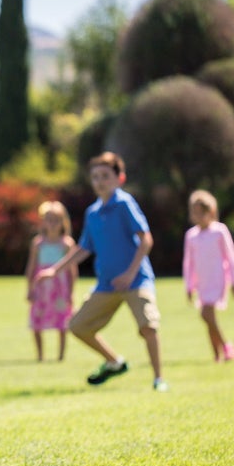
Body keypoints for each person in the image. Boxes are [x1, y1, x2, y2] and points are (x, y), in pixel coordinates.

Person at [37, 151, 168, 391]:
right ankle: (114, 362)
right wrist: (55, 270)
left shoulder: (124, 204)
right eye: (95, 177)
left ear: (120, 178)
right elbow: (84, 248)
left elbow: (145, 239)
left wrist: (130, 273)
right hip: (107, 285)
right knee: (77, 326)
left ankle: (159, 379)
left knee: (148, 326)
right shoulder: (93, 213)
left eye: (105, 176)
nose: (99, 181)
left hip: (137, 281)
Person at [183, 189, 234, 362]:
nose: (198, 217)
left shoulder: (219, 231)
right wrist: (189, 286)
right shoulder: (191, 236)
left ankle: (226, 346)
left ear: (211, 213)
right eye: (195, 213)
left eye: (201, 213)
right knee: (209, 318)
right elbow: (189, 263)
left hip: (218, 279)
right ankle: (217, 354)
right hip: (203, 281)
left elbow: (231, 256)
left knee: (205, 314)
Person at [24, 200, 77, 361]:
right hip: (41, 287)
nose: (53, 224)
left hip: (60, 288)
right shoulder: (38, 243)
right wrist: (30, 288)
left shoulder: (66, 244)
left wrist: (71, 293)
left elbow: (72, 271)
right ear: (43, 222)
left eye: (56, 220)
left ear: (63, 222)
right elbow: (31, 268)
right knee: (37, 320)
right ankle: (40, 355)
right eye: (49, 220)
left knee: (62, 322)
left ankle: (60, 356)